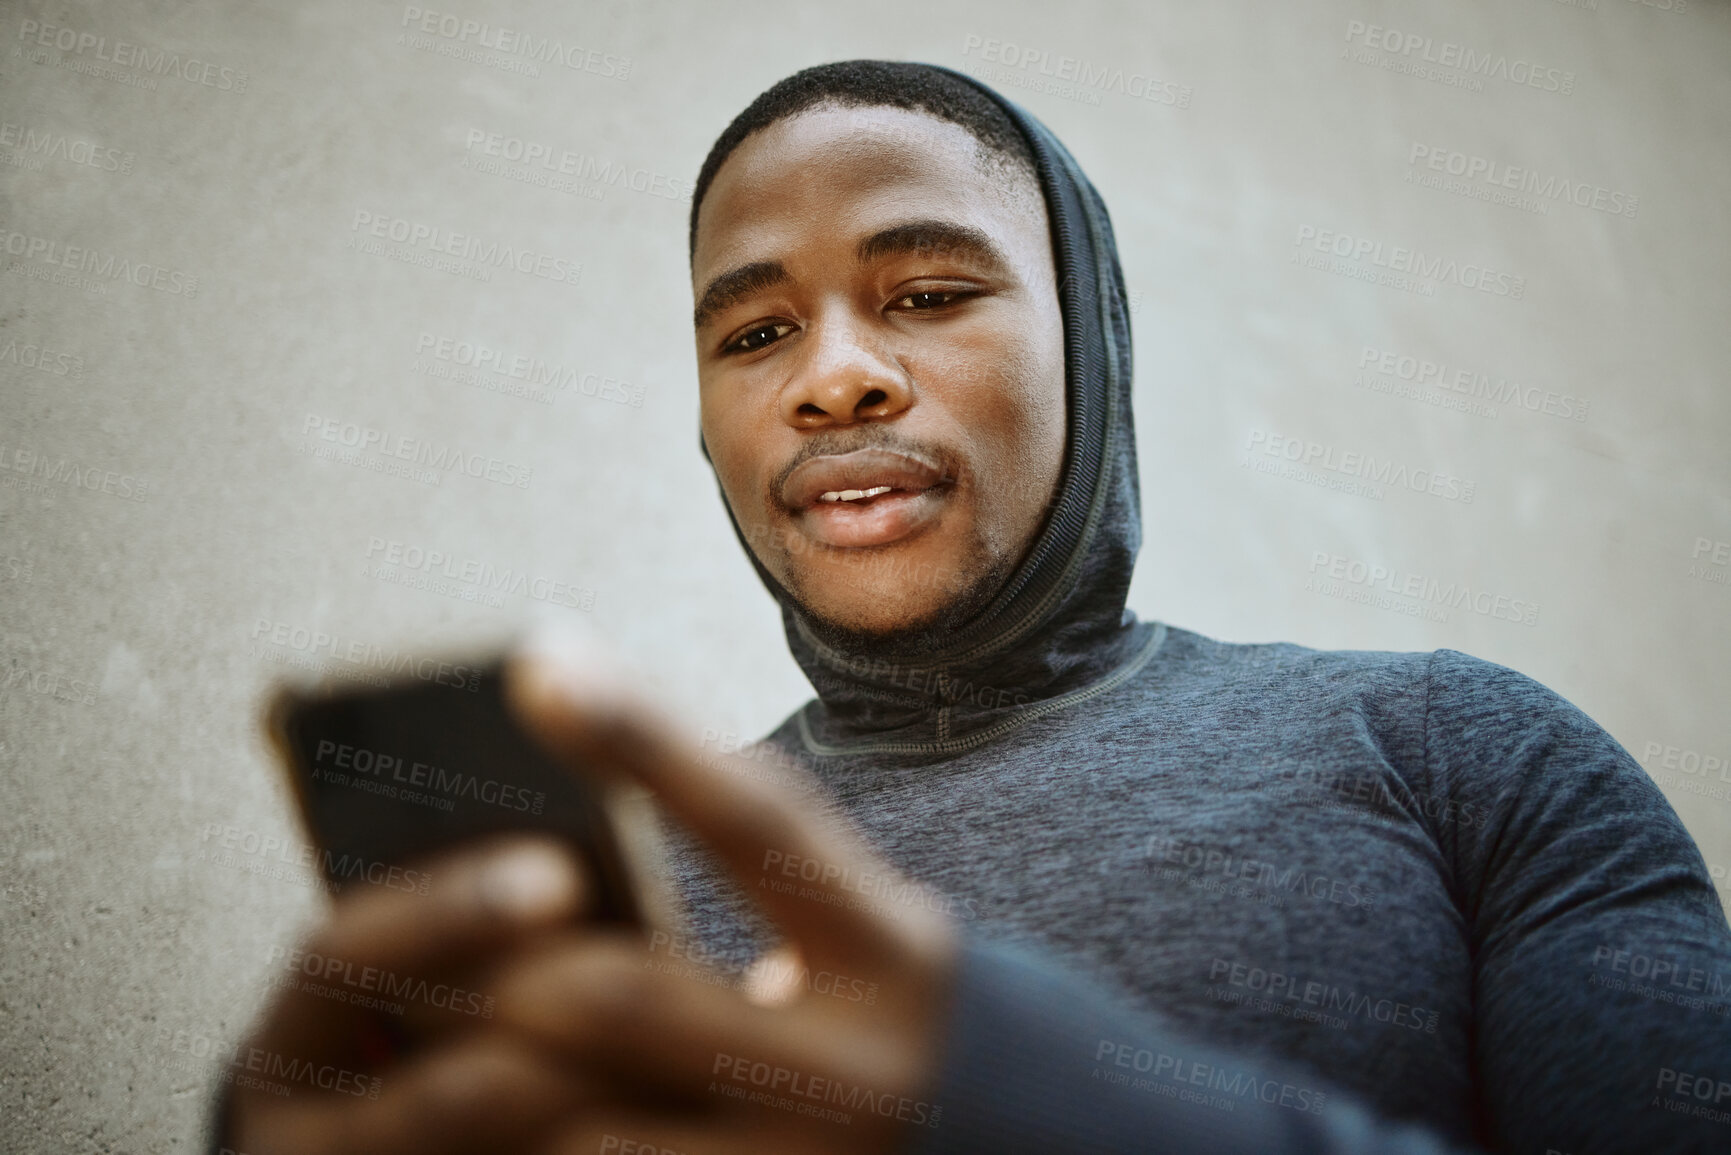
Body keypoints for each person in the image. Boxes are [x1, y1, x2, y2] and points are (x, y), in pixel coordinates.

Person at [216, 61, 1731, 1153]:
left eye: (928, 295)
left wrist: (1019, 1090)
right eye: (752, 331)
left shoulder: (1467, 759)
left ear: (1094, 346)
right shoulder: (610, 898)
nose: (830, 376)